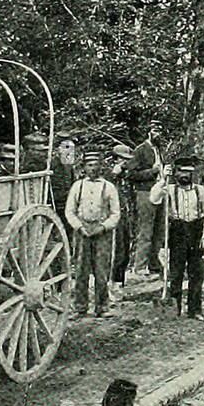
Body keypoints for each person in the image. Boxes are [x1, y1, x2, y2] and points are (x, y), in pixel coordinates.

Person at [151, 155, 204, 319]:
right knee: (176, 273)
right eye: (181, 172)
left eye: (188, 172)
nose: (184, 175)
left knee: (196, 273)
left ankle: (195, 309)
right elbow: (154, 198)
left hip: (196, 232)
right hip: (177, 233)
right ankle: (174, 307)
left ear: (193, 174)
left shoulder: (201, 191)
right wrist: (163, 178)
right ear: (176, 173)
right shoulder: (170, 189)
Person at [66, 150, 121, 318]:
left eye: (96, 165)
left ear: (101, 167)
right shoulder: (78, 186)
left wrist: (103, 227)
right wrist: (79, 227)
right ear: (84, 168)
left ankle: (102, 307)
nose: (93, 168)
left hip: (102, 232)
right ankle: (80, 307)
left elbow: (116, 213)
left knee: (101, 270)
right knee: (81, 270)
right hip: (82, 231)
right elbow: (70, 211)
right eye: (89, 165)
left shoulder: (108, 187)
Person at [125, 122, 164, 284]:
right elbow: (131, 174)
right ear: (149, 132)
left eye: (160, 132)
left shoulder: (159, 150)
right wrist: (152, 172)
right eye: (155, 131)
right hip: (145, 192)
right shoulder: (141, 150)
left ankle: (154, 265)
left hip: (160, 191)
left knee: (158, 230)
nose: (158, 134)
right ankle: (139, 267)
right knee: (146, 230)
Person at [108, 143, 136, 292]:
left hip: (126, 215)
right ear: (115, 159)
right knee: (116, 249)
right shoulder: (108, 175)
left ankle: (120, 282)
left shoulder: (126, 175)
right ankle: (111, 283)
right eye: (122, 160)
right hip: (113, 216)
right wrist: (113, 174)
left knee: (126, 249)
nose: (125, 163)